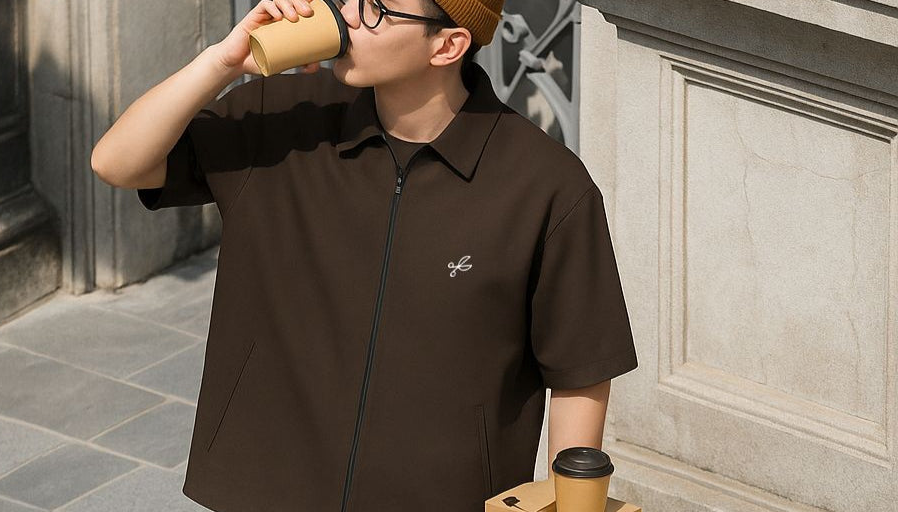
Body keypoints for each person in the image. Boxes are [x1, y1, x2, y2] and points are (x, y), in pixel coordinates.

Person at [91, 0, 639, 511]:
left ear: (446, 46)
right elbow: (118, 162)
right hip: (263, 486)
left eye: (375, 7)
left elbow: (579, 366)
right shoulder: (282, 118)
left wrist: (567, 507)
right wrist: (220, 62)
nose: (346, 14)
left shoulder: (544, 186)